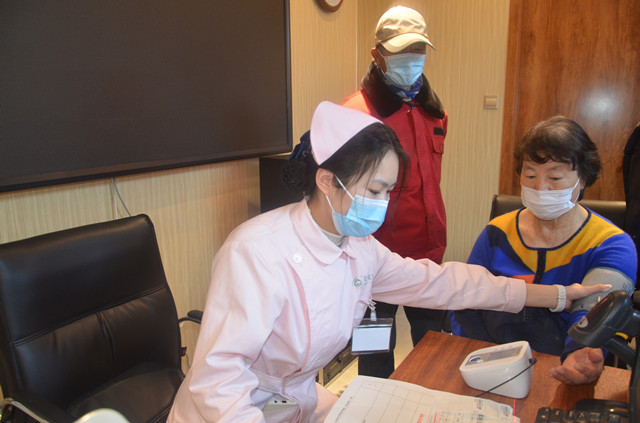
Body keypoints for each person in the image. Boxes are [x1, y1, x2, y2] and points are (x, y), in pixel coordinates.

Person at [167, 103, 609, 423]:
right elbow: (217, 381)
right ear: (327, 181)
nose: (382, 204)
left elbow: (440, 283)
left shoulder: (359, 246)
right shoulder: (256, 252)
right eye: (374, 190)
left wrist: (555, 295)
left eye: (388, 192)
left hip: (296, 403)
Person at [450, 116, 637, 385]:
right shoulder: (498, 232)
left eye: (555, 177)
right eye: (530, 175)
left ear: (583, 179)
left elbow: (594, 313)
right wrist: (480, 358)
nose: (540, 187)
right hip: (490, 365)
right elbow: (466, 300)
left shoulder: (610, 243)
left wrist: (580, 355)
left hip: (558, 367)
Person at [341, 5, 449, 379]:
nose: (411, 58)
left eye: (417, 50)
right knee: (374, 357)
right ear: (378, 55)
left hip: (427, 256)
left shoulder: (435, 112)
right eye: (401, 51)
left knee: (436, 353)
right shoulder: (355, 112)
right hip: (373, 260)